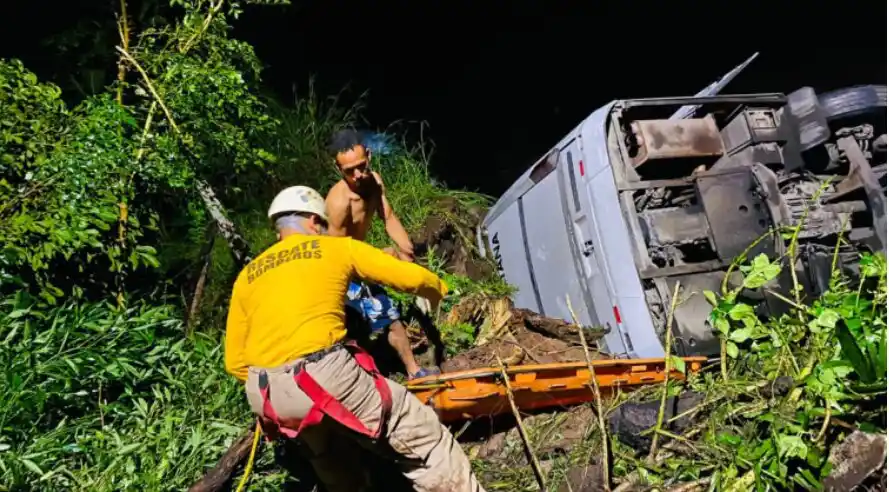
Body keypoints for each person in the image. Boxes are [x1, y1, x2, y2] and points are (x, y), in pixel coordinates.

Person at [224, 185, 484, 492]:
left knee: (331, 459)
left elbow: (236, 362)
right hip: (323, 372)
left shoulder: (248, 276)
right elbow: (409, 276)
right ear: (311, 221)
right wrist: (440, 288)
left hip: (267, 391)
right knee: (426, 441)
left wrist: (283, 384)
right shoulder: (335, 248)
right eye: (320, 224)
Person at [324, 129, 438, 380]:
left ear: (369, 156)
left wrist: (407, 253)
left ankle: (414, 372)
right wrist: (379, 257)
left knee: (390, 318)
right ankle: (364, 382)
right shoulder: (339, 203)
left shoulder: (374, 181)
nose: (357, 175)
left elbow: (388, 217)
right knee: (354, 332)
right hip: (342, 272)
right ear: (338, 168)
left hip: (361, 263)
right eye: (349, 171)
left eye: (361, 166)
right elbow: (336, 252)